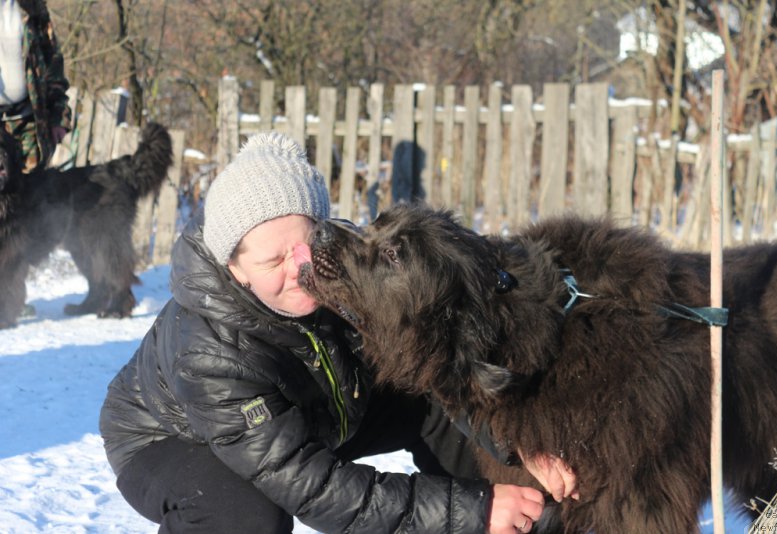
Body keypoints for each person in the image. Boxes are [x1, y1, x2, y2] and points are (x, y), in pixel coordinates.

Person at [100, 131, 575, 534]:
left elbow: (428, 366)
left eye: (308, 242)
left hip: (320, 405)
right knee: (244, 512)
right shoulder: (208, 353)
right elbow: (313, 486)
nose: (302, 268)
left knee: (429, 403)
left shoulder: (341, 261)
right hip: (170, 439)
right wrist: (471, 511)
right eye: (272, 261)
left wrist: (517, 448)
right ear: (234, 268)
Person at [0, 0, 71, 173]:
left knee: (33, 192)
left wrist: (58, 116)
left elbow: (53, 62)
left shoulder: (30, 7)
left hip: (28, 123)